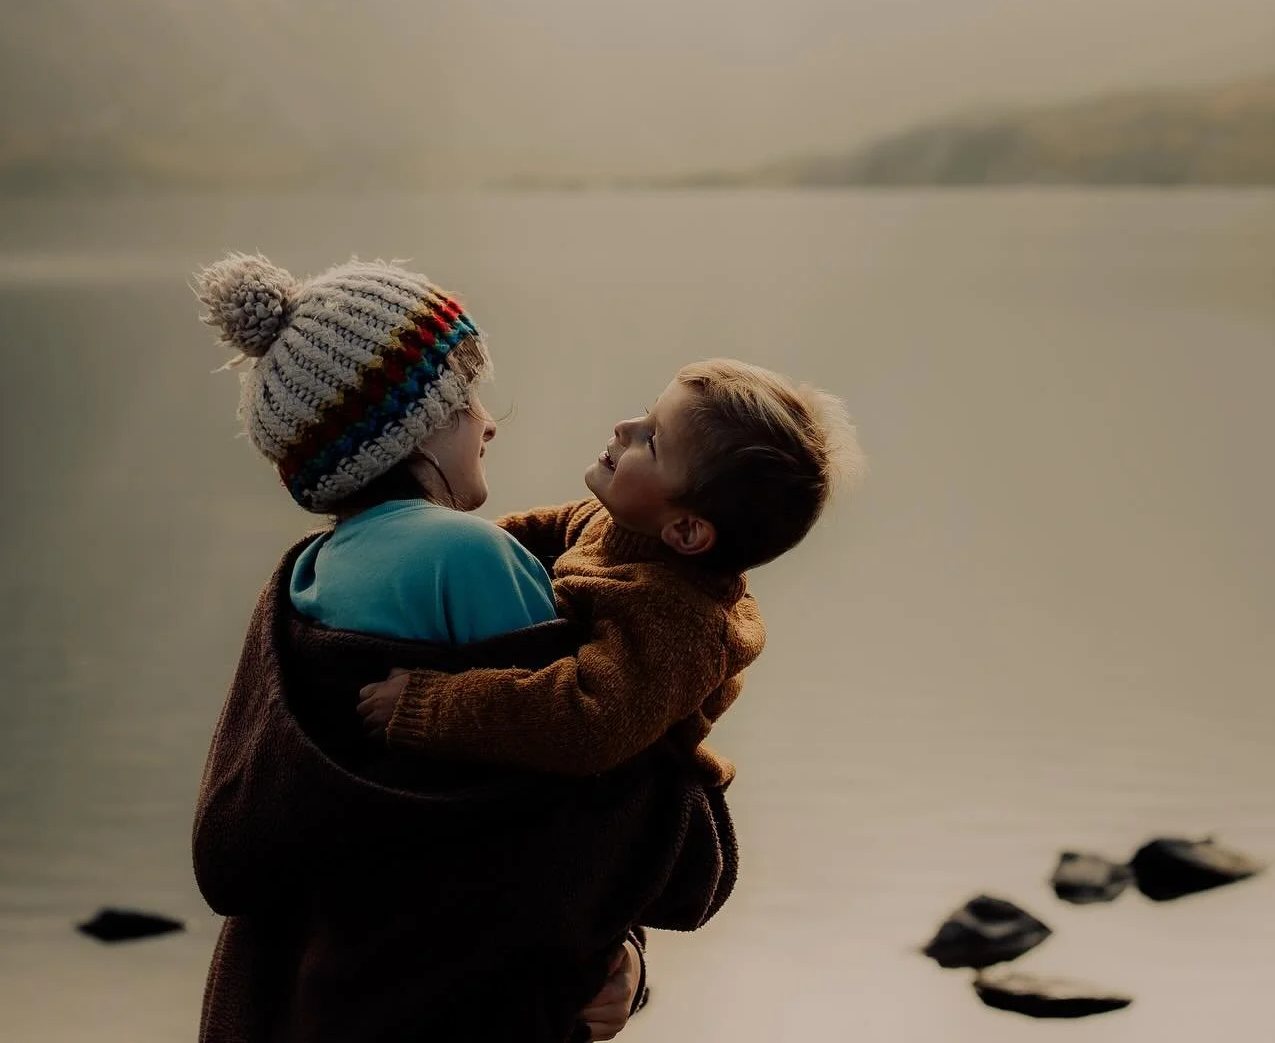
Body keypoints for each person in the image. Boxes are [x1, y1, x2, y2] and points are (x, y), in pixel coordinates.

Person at [191, 254, 737, 1043]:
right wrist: (623, 954)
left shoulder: (304, 579)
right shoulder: (467, 558)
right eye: (465, 400)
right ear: (410, 426)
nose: (487, 422)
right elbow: (575, 808)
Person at [356, 359, 864, 790]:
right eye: (647, 412)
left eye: (653, 440)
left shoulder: (675, 620)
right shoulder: (624, 523)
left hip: (613, 777)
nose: (625, 427)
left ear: (687, 531)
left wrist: (431, 705)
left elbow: (584, 720)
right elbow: (540, 530)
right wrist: (438, 546)